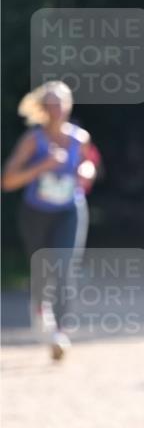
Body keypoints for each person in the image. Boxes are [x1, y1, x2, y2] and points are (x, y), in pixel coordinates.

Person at [1, 80, 97, 360]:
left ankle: (60, 333)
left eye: (61, 102)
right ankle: (39, 307)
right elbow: (7, 180)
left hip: (70, 208)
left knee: (65, 267)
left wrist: (88, 170)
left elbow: (89, 162)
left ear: (69, 106)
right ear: (43, 108)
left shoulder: (80, 138)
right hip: (36, 212)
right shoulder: (33, 140)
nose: (57, 108)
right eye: (51, 103)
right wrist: (42, 166)